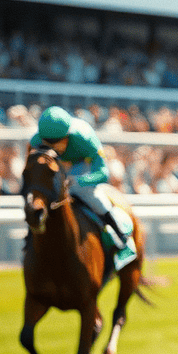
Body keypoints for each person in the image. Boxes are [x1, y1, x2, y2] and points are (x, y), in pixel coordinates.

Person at [29, 105, 128, 248]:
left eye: (56, 144)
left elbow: (103, 173)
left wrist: (79, 181)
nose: (51, 148)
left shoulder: (85, 139)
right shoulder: (36, 141)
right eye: (47, 143)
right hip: (57, 167)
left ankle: (119, 232)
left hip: (82, 167)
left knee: (88, 194)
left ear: (67, 136)